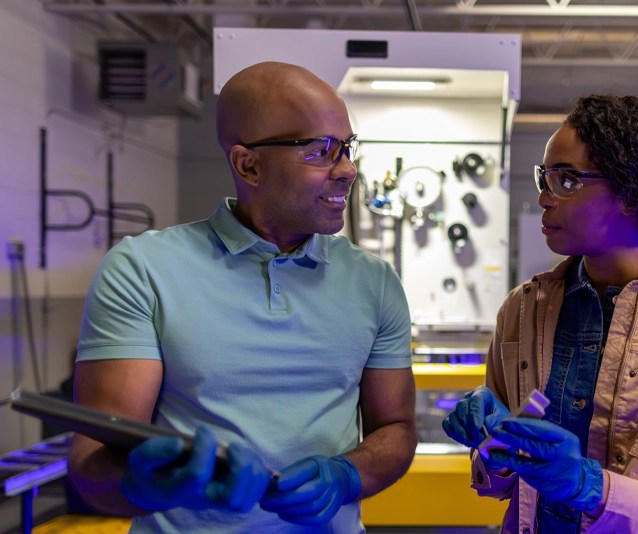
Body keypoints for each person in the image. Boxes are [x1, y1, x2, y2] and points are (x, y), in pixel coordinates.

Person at [67, 61, 417, 533]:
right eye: (321, 152)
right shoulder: (143, 270)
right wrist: (148, 483)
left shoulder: (374, 282)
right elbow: (94, 460)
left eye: (348, 148)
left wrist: (348, 474)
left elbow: (395, 428)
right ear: (248, 164)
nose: (348, 171)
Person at [442, 94, 638, 533]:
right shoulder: (522, 308)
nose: (543, 198)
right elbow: (500, 485)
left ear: (633, 192)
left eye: (566, 180)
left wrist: (588, 487)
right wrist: (493, 446)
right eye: (544, 178)